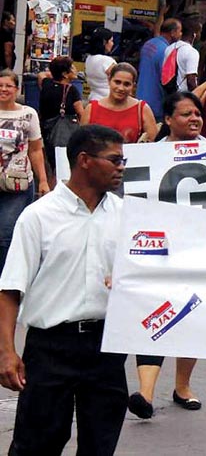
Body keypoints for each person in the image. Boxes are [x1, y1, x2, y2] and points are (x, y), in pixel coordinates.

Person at [0, 125, 127, 455]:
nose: (121, 167)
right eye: (114, 160)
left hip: (107, 348)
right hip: (50, 348)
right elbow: (10, 288)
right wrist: (7, 351)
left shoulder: (126, 216)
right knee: (37, 443)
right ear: (84, 160)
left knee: (100, 443)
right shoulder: (38, 216)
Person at [127, 92, 206, 421]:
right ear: (168, 120)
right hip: (156, 248)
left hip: (199, 247)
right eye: (186, 114)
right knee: (155, 313)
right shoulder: (148, 155)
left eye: (198, 114)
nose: (194, 119)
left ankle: (182, 387)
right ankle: (145, 393)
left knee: (191, 313)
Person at [0, 70, 49, 271]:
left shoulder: (28, 114)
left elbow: (36, 150)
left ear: (17, 89)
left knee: (6, 235)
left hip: (17, 184)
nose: (3, 90)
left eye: (8, 86)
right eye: (0, 86)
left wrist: (43, 181)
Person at [81, 63, 159, 144]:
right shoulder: (91, 109)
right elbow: (81, 142)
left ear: (133, 86)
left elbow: (153, 145)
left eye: (127, 84)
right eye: (117, 82)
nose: (121, 88)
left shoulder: (142, 109)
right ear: (109, 80)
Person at [37, 56, 85, 178]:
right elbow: (81, 114)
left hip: (47, 131)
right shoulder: (72, 90)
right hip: (64, 134)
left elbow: (42, 74)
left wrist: (54, 73)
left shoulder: (46, 84)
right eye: (72, 67)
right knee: (63, 167)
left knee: (52, 165)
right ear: (65, 74)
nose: (75, 69)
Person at [138, 18, 181, 120]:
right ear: (173, 32)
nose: (181, 34)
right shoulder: (166, 51)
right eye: (180, 31)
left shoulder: (149, 44)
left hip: (140, 97)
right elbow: (167, 79)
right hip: (155, 103)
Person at [164, 18, 201, 94]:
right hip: (183, 96)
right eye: (199, 32)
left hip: (169, 94)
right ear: (194, 34)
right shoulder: (192, 52)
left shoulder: (169, 48)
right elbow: (191, 81)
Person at [85, 28, 117, 101]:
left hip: (93, 98)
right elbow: (118, 78)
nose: (113, 44)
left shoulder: (89, 59)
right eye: (111, 41)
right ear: (104, 42)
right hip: (108, 100)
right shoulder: (107, 61)